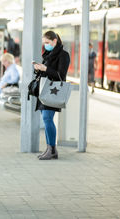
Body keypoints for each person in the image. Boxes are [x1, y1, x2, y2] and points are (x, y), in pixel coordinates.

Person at [33, 31, 70, 160]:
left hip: (53, 91)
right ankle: (49, 149)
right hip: (45, 90)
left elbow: (61, 75)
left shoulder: (64, 55)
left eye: (47, 43)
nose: (46, 45)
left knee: (47, 118)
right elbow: (46, 71)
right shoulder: (48, 54)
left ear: (55, 41)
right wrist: (38, 68)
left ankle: (52, 150)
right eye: (44, 43)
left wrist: (45, 69)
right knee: (46, 118)